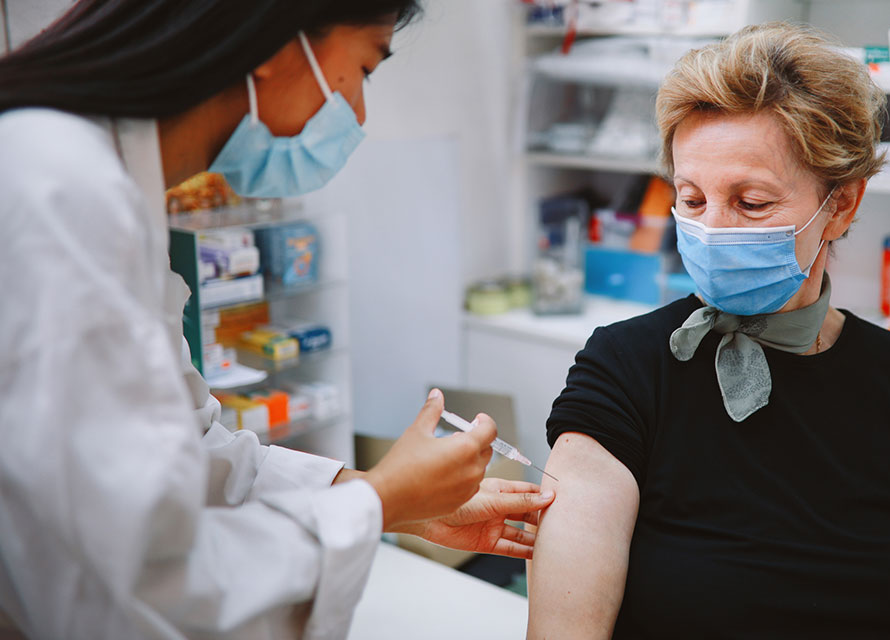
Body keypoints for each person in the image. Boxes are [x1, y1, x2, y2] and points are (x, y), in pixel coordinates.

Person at [0, 1, 554, 639]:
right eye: (367, 69)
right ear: (275, 45)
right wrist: (378, 502)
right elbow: (129, 592)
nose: (361, 116)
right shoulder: (60, 194)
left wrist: (386, 497)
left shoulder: (106, 188)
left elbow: (196, 457)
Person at [527, 22, 890, 639]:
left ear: (842, 204)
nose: (713, 230)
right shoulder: (625, 369)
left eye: (752, 203)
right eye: (691, 200)